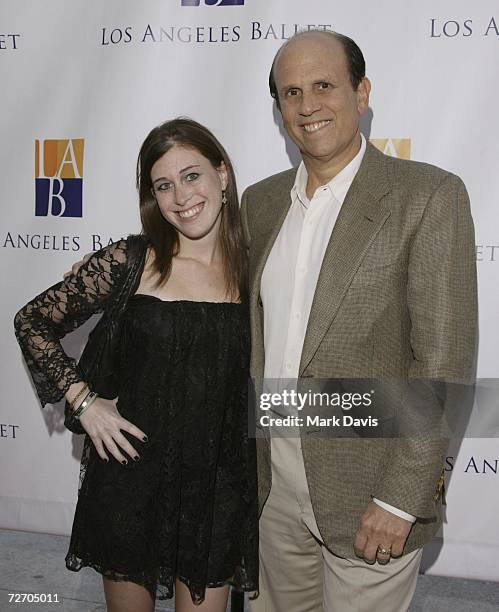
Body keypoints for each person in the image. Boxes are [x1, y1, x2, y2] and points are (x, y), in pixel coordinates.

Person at [240, 30, 477, 611]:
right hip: (272, 484)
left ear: (361, 92)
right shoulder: (260, 202)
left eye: (324, 85)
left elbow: (443, 364)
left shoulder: (427, 196)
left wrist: (401, 499)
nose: (307, 105)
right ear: (279, 111)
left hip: (371, 490)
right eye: (291, 93)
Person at [14, 118, 258, 612]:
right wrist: (85, 404)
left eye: (192, 176)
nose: (180, 196)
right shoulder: (132, 259)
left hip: (215, 489)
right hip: (131, 481)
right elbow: (32, 321)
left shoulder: (256, 267)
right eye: (163, 185)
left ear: (223, 175)